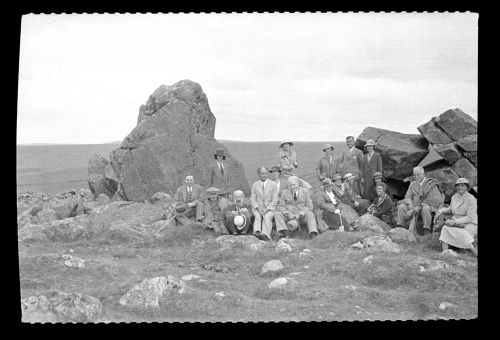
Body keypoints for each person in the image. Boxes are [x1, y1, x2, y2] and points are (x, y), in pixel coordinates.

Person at [396, 166, 444, 235]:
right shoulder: (412, 184)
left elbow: (433, 199)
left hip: (428, 206)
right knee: (401, 206)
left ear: (423, 174)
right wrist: (411, 206)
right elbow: (408, 196)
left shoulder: (431, 183)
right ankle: (401, 227)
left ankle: (426, 230)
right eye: (414, 175)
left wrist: (417, 207)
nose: (416, 177)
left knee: (425, 208)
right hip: (414, 206)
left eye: (418, 174)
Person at [436, 178, 478, 256]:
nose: (460, 187)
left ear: (466, 187)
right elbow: (452, 209)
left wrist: (454, 222)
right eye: (458, 185)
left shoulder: (471, 199)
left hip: (470, 223)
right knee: (445, 228)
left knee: (463, 233)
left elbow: (470, 217)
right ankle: (445, 253)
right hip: (456, 222)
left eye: (462, 185)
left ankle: (474, 253)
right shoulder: (454, 197)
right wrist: (441, 211)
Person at [250, 167, 279, 241]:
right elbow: (252, 199)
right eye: (263, 174)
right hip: (258, 208)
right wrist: (257, 208)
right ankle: (257, 232)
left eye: (266, 173)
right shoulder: (255, 185)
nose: (264, 175)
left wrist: (268, 209)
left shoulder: (273, 184)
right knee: (257, 216)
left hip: (270, 208)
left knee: (267, 216)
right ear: (259, 174)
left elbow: (275, 199)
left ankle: (265, 235)